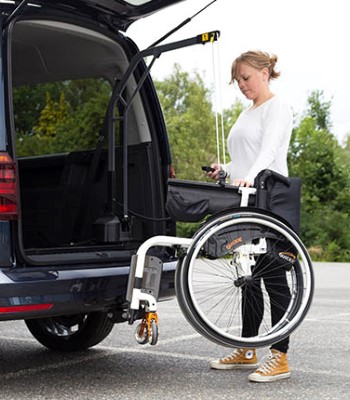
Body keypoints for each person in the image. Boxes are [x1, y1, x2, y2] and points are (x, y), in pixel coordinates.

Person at [205, 50, 294, 383]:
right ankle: (247, 348)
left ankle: (280, 356)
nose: (242, 85)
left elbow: (269, 153)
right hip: (245, 198)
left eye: (246, 77)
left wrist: (252, 176)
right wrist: (225, 170)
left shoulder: (277, 107)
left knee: (273, 276)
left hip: (269, 197)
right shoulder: (247, 113)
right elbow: (244, 158)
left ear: (266, 71)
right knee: (248, 277)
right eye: (238, 80)